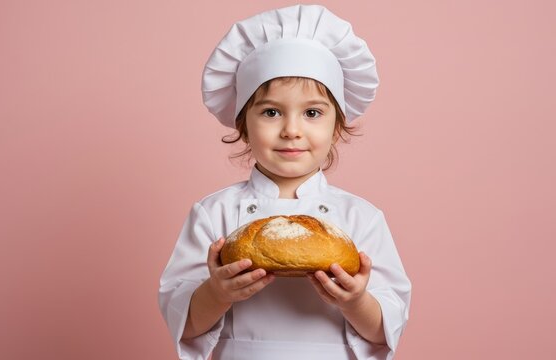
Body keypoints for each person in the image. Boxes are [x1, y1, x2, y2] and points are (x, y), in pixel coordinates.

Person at [158, 4, 411, 360]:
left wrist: (356, 301)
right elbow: (183, 323)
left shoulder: (361, 218)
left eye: (312, 113)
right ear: (243, 124)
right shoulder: (213, 214)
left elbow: (385, 328)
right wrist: (217, 293)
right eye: (271, 112)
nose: (292, 130)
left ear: (336, 127)